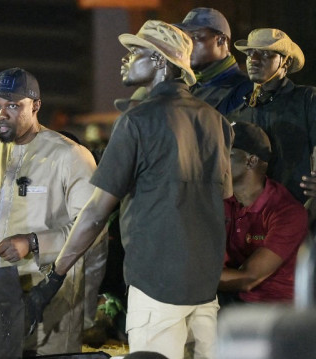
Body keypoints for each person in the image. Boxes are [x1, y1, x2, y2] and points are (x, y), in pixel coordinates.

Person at [28, 20, 232, 359]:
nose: (127, 60)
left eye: (136, 52)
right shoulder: (217, 122)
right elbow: (220, 201)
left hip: (157, 289)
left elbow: (95, 213)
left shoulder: (137, 120)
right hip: (205, 291)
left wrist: (54, 277)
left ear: (161, 62)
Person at [0, 67, 97, 355]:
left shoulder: (69, 155)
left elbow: (91, 228)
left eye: (13, 105)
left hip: (50, 300)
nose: (1, 114)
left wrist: (32, 242)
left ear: (36, 106)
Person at [219, 122, 308, 304]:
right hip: (235, 300)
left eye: (226, 154)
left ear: (251, 161)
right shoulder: (225, 201)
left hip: (277, 311)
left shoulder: (287, 212)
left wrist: (186, 280)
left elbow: (248, 279)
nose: (216, 161)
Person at [227, 28, 316, 204]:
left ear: (286, 61)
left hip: (303, 214)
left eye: (265, 54)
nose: (254, 59)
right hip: (255, 222)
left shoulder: (307, 99)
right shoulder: (238, 114)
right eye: (250, 53)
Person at [175, 7, 252, 115]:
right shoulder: (186, 87)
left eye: (195, 37)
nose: (187, 45)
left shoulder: (246, 90)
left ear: (221, 40)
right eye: (185, 39)